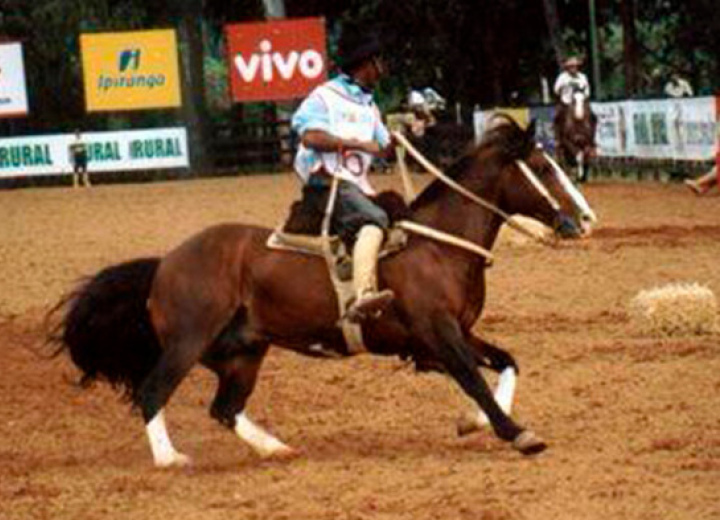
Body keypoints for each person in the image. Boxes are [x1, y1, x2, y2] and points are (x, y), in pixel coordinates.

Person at [290, 26, 394, 322]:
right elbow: (310, 137)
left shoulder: (369, 105)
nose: (383, 67)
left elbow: (384, 148)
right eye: (379, 61)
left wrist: (399, 140)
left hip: (355, 184)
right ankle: (362, 297)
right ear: (367, 64)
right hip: (327, 180)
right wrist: (356, 143)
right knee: (376, 220)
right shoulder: (324, 96)